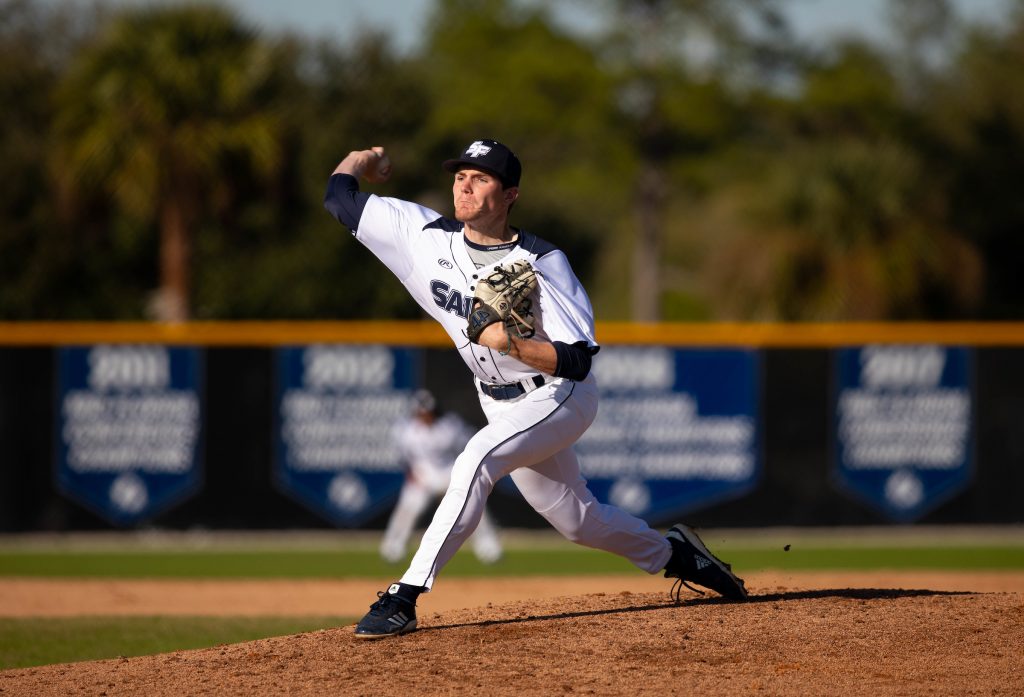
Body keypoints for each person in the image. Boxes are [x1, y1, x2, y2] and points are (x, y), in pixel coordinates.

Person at [324, 139, 747, 640]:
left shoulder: (542, 261)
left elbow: (578, 359)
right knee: (578, 522)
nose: (464, 185)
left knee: (478, 457)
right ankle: (677, 555)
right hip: (497, 399)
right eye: (460, 176)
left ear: (510, 195)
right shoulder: (421, 235)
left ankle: (405, 595)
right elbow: (339, 197)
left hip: (558, 395)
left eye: (481, 179)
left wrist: (510, 342)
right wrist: (363, 160)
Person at [381, 389, 503, 565]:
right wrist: (410, 472)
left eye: (427, 412)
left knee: (474, 509)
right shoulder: (405, 430)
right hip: (422, 475)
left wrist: (465, 472)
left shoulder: (450, 426)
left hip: (449, 473)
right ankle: (393, 548)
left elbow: (470, 447)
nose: (424, 416)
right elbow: (402, 456)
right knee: (407, 510)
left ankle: (489, 548)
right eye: (421, 412)